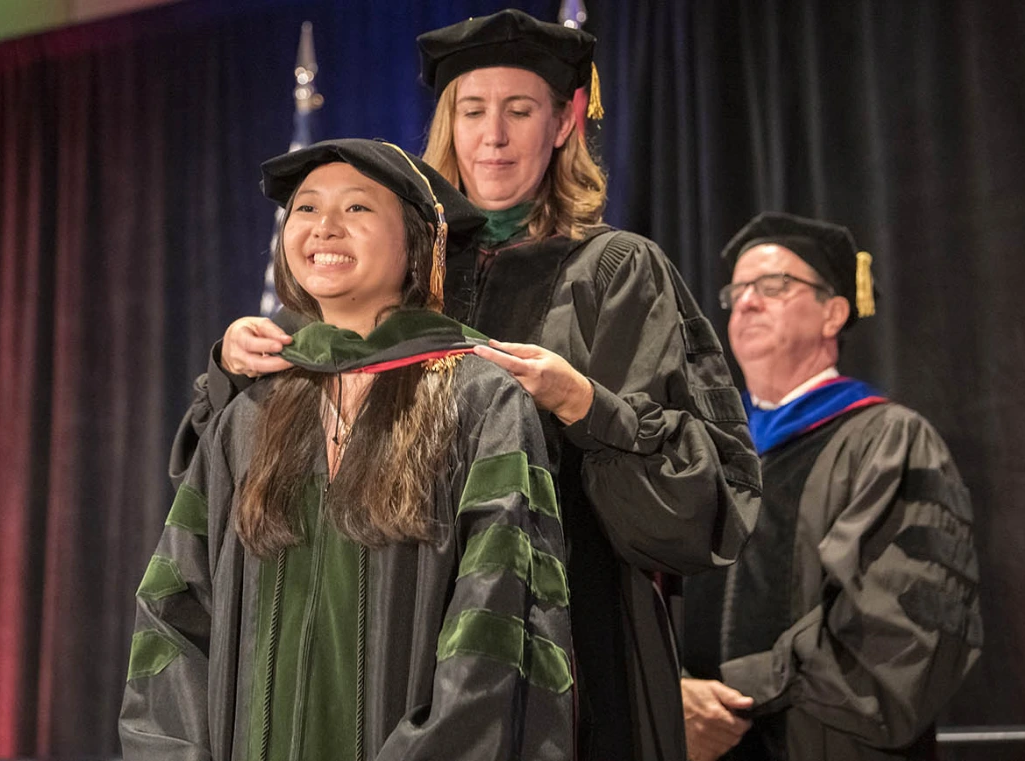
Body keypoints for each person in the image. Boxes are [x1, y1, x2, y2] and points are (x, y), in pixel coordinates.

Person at [173, 11, 762, 761]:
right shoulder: (397, 271)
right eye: (473, 112)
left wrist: (585, 403)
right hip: (397, 646)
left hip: (577, 643)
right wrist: (232, 366)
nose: (493, 137)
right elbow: (245, 490)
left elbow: (709, 499)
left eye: (520, 111)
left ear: (565, 121)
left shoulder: (615, 273)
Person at [122, 139, 576, 760]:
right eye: (305, 209)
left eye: (357, 209)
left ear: (419, 244)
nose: (323, 228)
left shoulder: (479, 399)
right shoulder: (250, 416)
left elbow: (498, 621)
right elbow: (174, 614)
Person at [680, 211, 982, 761]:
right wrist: (674, 693)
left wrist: (730, 697)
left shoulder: (889, 441)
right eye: (738, 290)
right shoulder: (707, 450)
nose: (746, 302)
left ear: (833, 313)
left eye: (773, 286)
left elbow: (897, 631)